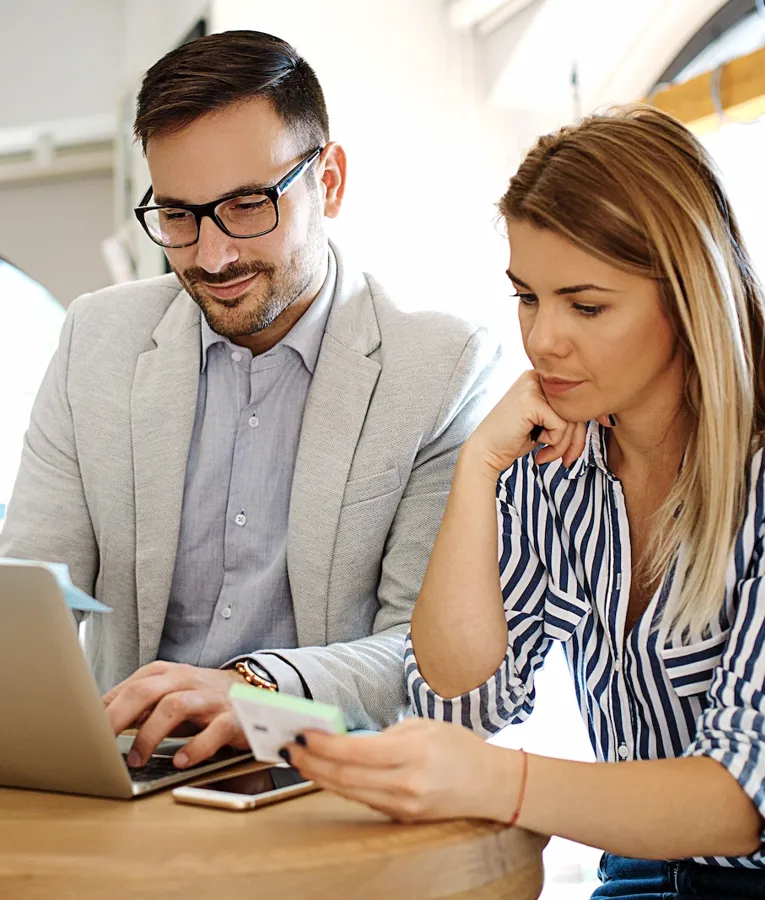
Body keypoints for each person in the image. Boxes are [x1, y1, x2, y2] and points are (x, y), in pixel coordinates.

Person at [285, 106, 765, 898]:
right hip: (641, 873)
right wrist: (478, 467)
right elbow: (458, 698)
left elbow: (738, 801)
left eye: (584, 306)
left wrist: (495, 783)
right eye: (526, 298)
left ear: (687, 298)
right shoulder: (554, 461)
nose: (542, 340)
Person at [0, 31, 498, 771]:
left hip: (324, 780)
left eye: (245, 205)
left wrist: (254, 688)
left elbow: (430, 664)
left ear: (327, 181)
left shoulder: (441, 367)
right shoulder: (97, 339)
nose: (212, 256)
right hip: (128, 775)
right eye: (178, 216)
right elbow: (34, 603)